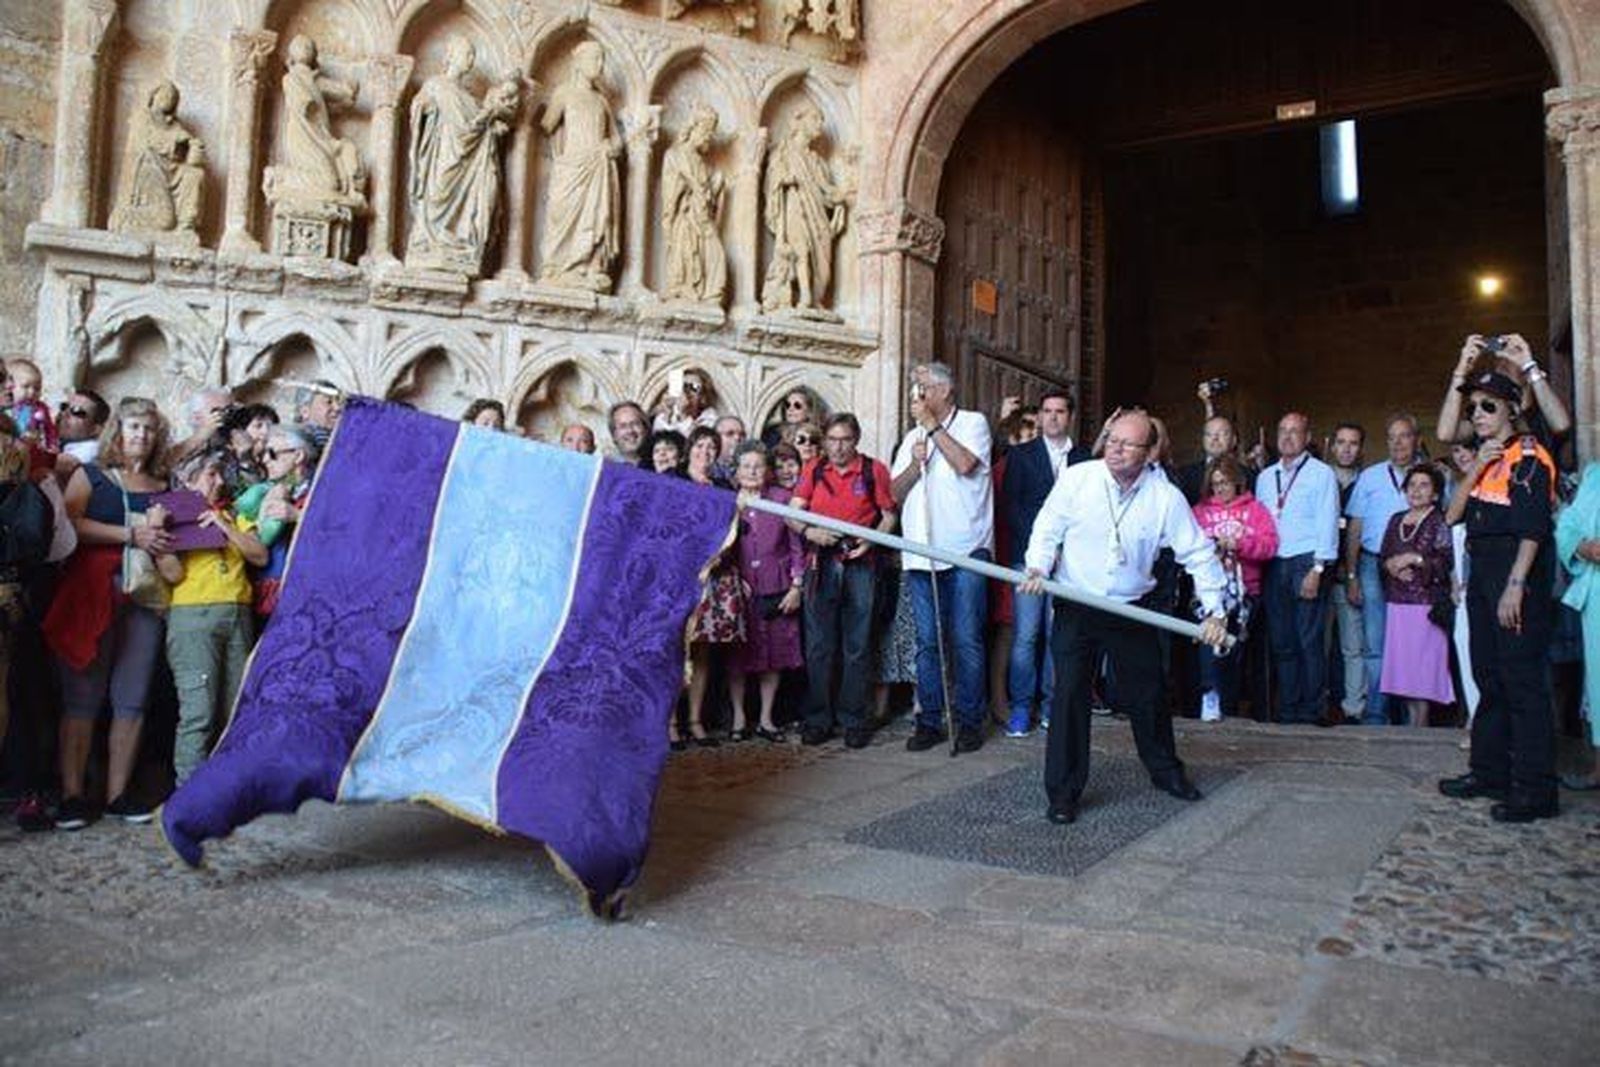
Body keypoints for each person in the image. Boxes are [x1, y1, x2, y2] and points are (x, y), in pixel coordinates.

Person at [1021, 410, 1229, 824]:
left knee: (1148, 693)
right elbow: (1047, 527)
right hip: (1077, 602)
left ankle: (1166, 772)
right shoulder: (1078, 479)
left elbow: (1197, 553)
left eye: (1127, 444)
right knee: (1069, 695)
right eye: (1112, 441)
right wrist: (1038, 566)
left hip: (1130, 607)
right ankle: (1062, 793)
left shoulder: (1164, 496)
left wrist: (1215, 611)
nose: (1115, 450)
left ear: (1149, 452)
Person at [41, 398, 182, 829]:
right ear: (116, 432)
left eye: (149, 428)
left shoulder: (165, 485)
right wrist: (131, 534)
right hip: (90, 593)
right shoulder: (92, 475)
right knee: (81, 697)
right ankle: (72, 795)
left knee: (132, 696)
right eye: (133, 426)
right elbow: (68, 524)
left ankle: (118, 794)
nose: (141, 435)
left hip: (143, 597)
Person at [1438, 369, 1559, 823]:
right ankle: (1490, 772)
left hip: (1515, 573)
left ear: (1511, 409)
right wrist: (1475, 468)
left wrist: (1516, 586)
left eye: (1488, 406)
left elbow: (1533, 530)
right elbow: (1451, 516)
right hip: (1483, 573)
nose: (1478, 414)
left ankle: (1534, 790)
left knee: (1521, 682)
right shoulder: (1486, 458)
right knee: (1488, 675)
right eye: (1473, 408)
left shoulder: (1529, 455)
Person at [891, 362, 993, 754]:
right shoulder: (912, 436)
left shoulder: (973, 423)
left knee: (966, 640)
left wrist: (933, 428)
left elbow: (966, 464)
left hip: (966, 550)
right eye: (916, 389)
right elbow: (894, 494)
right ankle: (929, 720)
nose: (917, 396)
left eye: (924, 388)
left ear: (945, 391)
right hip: (921, 555)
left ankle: (969, 722)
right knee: (927, 643)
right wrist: (914, 466)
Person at [791, 412, 897, 747]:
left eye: (845, 440)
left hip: (861, 562)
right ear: (824, 440)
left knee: (858, 644)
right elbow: (793, 512)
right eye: (832, 440)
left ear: (856, 440)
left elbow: (889, 516)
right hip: (820, 560)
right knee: (819, 645)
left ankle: (854, 720)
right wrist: (811, 532)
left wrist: (871, 540)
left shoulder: (873, 470)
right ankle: (818, 719)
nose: (838, 447)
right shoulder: (814, 469)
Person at [166, 449, 268, 783]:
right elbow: (171, 573)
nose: (220, 481)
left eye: (220, 473)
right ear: (188, 480)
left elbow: (260, 555)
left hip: (238, 613)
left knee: (235, 708)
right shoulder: (171, 515)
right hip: (193, 614)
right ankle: (189, 792)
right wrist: (160, 540)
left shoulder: (234, 514)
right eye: (211, 474)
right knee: (200, 712)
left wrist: (224, 526)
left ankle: (226, 788)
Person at [1000, 389, 1090, 737]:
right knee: (1026, 635)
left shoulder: (1084, 459)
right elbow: (1013, 506)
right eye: (1047, 411)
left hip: (1069, 564)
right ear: (1039, 416)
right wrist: (1043, 549)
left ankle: (1053, 705)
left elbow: (1086, 511)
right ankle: (1022, 708)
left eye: (1060, 411)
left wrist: (1065, 549)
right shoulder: (1021, 455)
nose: (1053, 417)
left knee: (1058, 636)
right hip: (1028, 560)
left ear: (1071, 417)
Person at [1255, 412, 1340, 725]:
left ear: (1307, 437)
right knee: (1282, 642)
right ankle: (1289, 708)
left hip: (1306, 561)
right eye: (1283, 430)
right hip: (1274, 563)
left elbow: (1328, 520)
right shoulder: (1266, 476)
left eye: (1295, 431)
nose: (1288, 437)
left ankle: (1312, 709)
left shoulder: (1321, 473)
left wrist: (1318, 569)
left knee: (1308, 640)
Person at [1343, 415, 1422, 725]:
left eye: (1404, 436)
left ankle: (1410, 719)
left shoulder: (1428, 476)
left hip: (1415, 570)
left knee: (1410, 644)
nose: (1397, 443)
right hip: (1372, 564)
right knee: (1375, 645)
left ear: (1417, 439)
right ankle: (1377, 715)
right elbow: (1355, 526)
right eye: (1392, 437)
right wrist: (1351, 575)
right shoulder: (1371, 476)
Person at [728, 443, 806, 741]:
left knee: (774, 654)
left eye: (758, 466)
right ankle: (738, 719)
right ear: (737, 471)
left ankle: (766, 719)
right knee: (738, 657)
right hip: (741, 590)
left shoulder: (782, 499)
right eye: (746, 466)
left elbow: (797, 546)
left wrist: (797, 585)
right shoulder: (729, 501)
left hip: (778, 586)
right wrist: (734, 578)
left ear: (768, 470)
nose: (752, 471)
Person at [1191, 455, 1278, 722]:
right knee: (1209, 644)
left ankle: (1229, 705)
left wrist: (1240, 544)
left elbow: (1269, 546)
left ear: (1237, 482)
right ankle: (1210, 696)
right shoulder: (1200, 512)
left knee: (1233, 651)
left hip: (1245, 592)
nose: (1220, 489)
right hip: (1208, 592)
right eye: (1216, 483)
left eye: (1225, 483)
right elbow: (1188, 546)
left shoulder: (1256, 510)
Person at [1377, 465, 1455, 726]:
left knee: (1423, 671)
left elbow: (1446, 562)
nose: (1416, 490)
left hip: (1427, 605)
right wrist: (1391, 566)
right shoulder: (1396, 519)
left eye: (1424, 485)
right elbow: (1384, 556)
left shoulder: (1439, 520)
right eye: (1411, 485)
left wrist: (1415, 559)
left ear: (1436, 494)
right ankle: (1413, 726)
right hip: (1398, 603)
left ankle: (1421, 729)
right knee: (1405, 671)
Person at [234, 424, 317, 621]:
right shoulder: (263, 492)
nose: (264, 460)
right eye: (263, 453)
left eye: (272, 453)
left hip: (306, 593)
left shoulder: (321, 489)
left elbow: (342, 534)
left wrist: (298, 516)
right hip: (264, 594)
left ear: (298, 456)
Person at [1555, 461, 1600, 791]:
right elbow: (1567, 524)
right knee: (1598, 686)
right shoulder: (1595, 476)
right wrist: (1582, 547)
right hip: (1597, 594)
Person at [1326, 422, 1366, 722]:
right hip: (1317, 574)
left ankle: (1354, 708)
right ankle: (1320, 702)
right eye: (1341, 442)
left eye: (1353, 443)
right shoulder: (1319, 478)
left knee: (1353, 646)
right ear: (1332, 446)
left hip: (1351, 573)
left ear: (1361, 448)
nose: (1346, 449)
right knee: (1318, 645)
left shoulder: (1367, 482)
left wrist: (1353, 574)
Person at [6, 359, 58, 452]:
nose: (32, 392)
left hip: (33, 448)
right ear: (9, 386)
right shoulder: (6, 407)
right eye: (26, 386)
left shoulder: (41, 408)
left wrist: (51, 444)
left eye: (37, 388)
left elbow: (49, 429)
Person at [652, 369, 719, 437]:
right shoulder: (665, 415)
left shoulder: (710, 418)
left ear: (703, 397)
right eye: (684, 386)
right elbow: (658, 438)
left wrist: (683, 415)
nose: (687, 392)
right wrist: (667, 416)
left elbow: (695, 439)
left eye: (694, 387)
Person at [56, 387, 109, 467]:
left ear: (96, 429)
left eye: (77, 411)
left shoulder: (88, 453)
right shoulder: (62, 444)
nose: (65, 413)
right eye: (64, 407)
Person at [293, 379, 343, 455]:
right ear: (305, 412)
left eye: (339, 402)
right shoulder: (302, 443)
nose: (338, 408)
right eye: (329, 402)